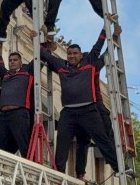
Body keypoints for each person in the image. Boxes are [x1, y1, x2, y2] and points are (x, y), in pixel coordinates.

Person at [41, 27, 120, 176]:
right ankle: (59, 174)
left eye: (75, 53)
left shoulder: (90, 63)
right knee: (62, 143)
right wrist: (41, 38)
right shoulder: (62, 66)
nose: (71, 56)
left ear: (80, 55)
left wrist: (107, 29)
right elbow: (45, 54)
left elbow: (100, 47)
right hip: (69, 112)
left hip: (89, 110)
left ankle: (118, 168)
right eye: (69, 54)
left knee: (101, 139)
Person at [0, 45, 33, 157]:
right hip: (3, 115)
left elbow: (40, 58)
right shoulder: (5, 74)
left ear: (20, 62)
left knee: (23, 143)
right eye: (10, 60)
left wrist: (42, 41)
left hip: (19, 113)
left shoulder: (27, 71)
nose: (12, 62)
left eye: (15, 60)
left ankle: (29, 170)